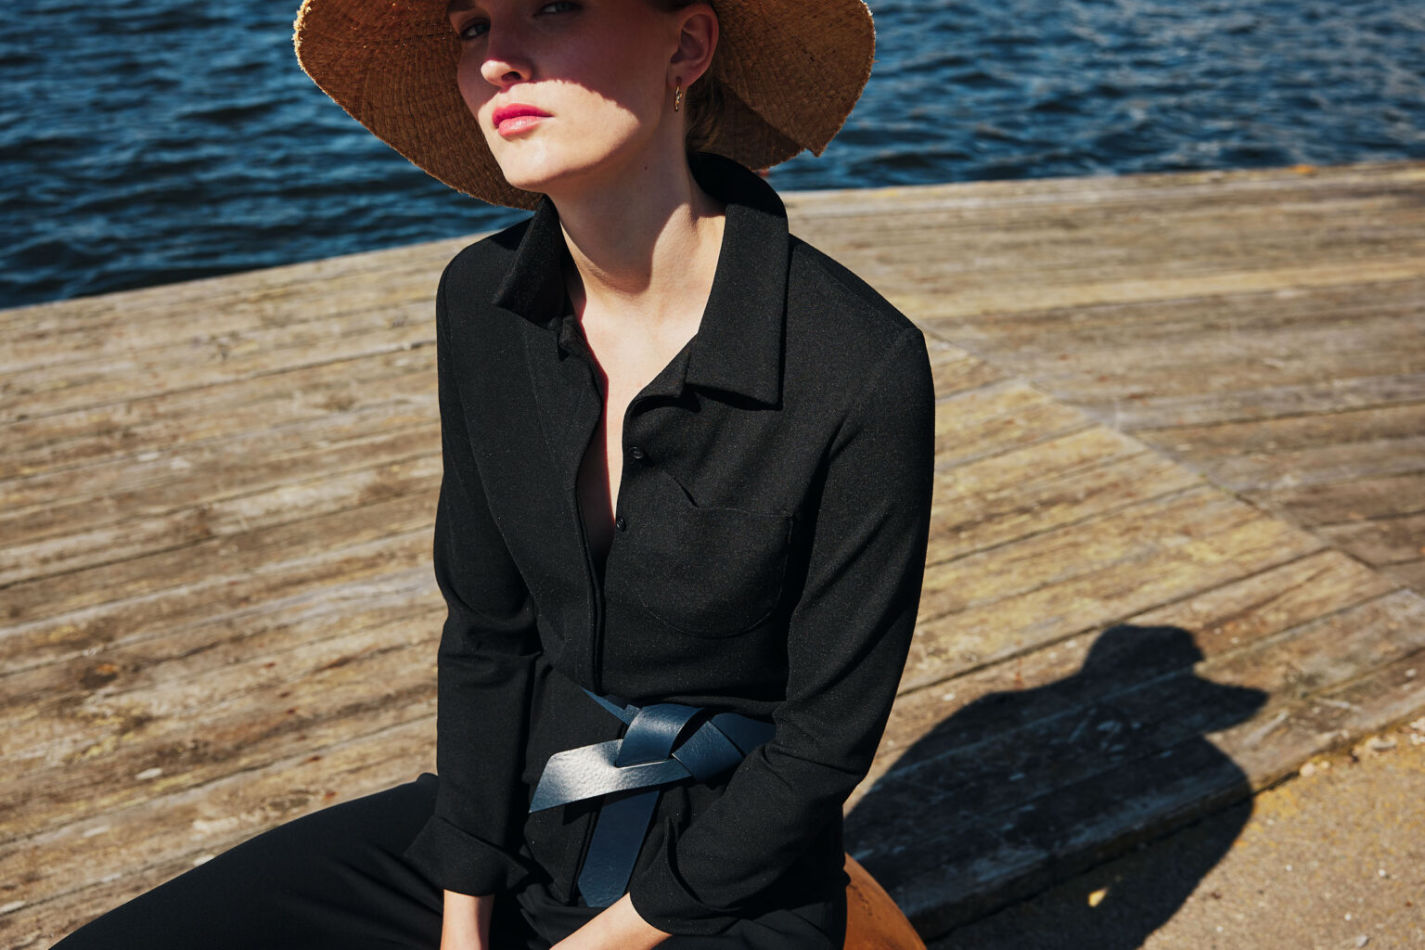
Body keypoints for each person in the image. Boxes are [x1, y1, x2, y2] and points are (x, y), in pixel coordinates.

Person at [54, 0, 933, 947]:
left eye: (551, 5)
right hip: (520, 815)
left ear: (685, 43)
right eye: (471, 25)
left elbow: (817, 748)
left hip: (731, 879)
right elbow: (486, 634)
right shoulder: (483, 301)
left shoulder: (857, 362)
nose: (496, 60)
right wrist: (462, 911)